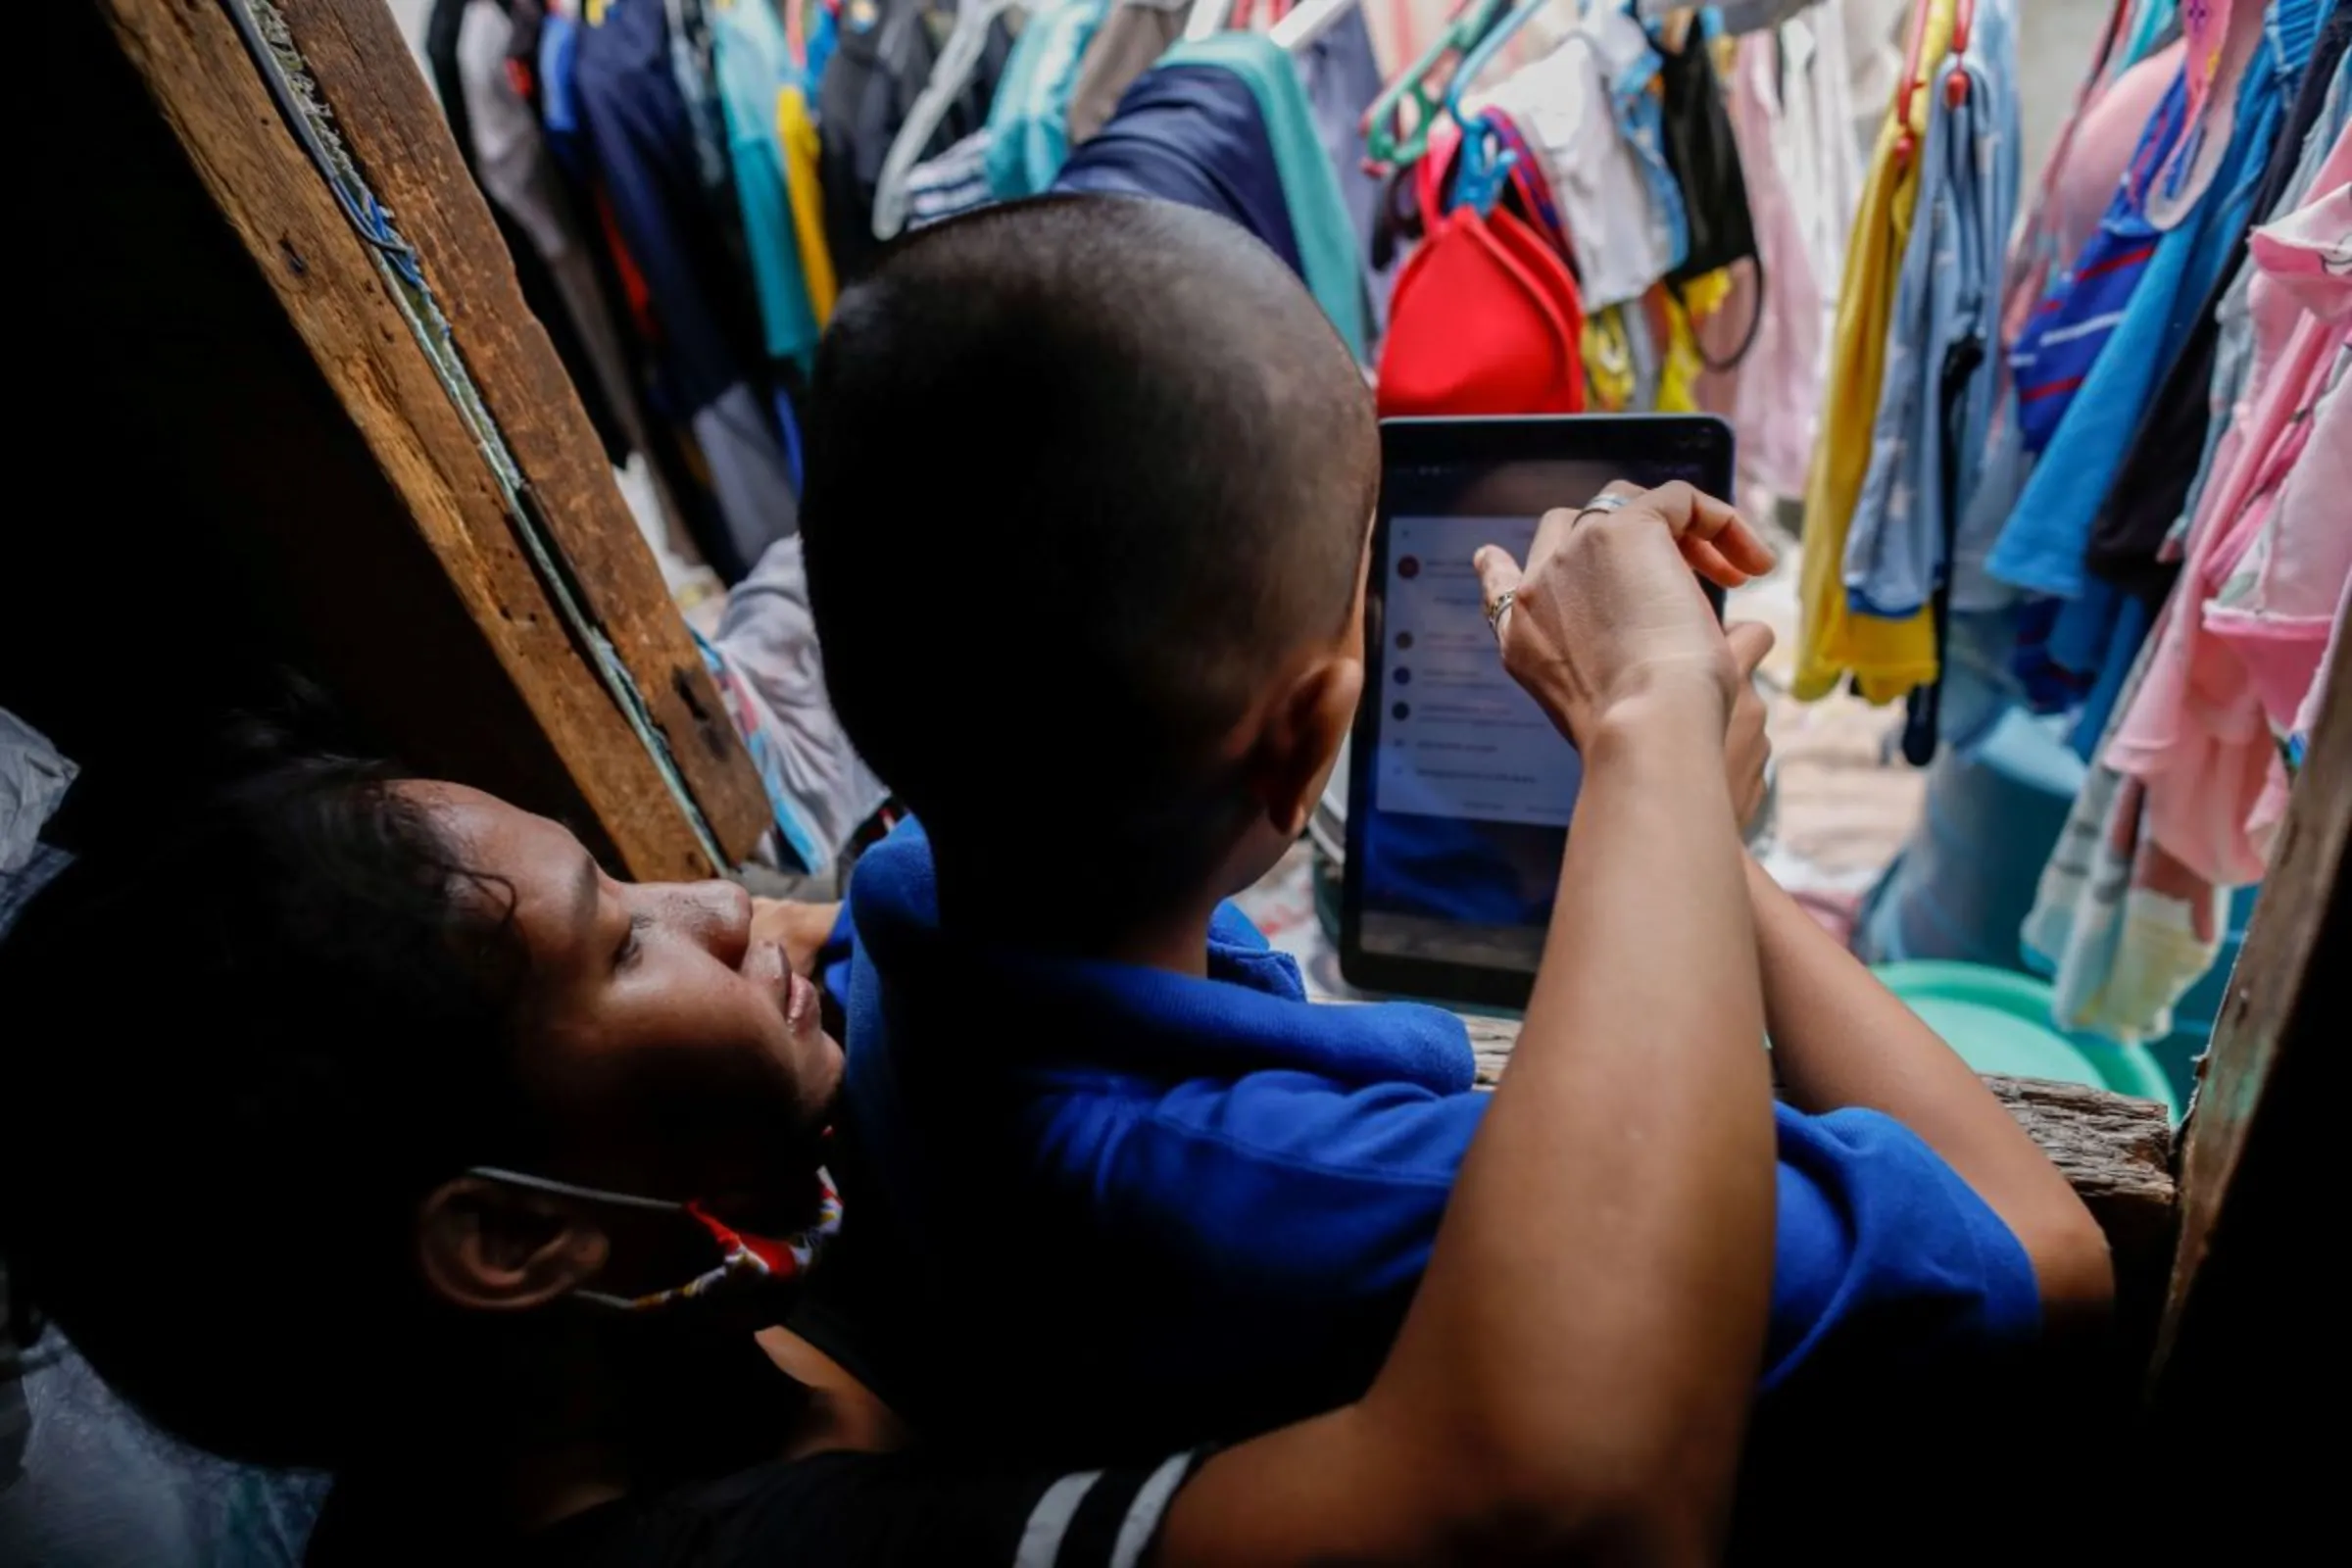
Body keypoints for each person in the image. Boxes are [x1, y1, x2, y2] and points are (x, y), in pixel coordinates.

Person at [0, 486, 1801, 1568]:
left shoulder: (576, 1335)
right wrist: (1650, 742)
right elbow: (1555, 1499)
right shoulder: (744, 1553)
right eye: (621, 946)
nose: (717, 903)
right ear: (510, 1230)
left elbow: (832, 912)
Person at [800, 196, 2114, 1478]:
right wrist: (1665, 784)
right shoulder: (1317, 1189)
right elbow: (2038, 1250)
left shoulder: (890, 928)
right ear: (1305, 738)